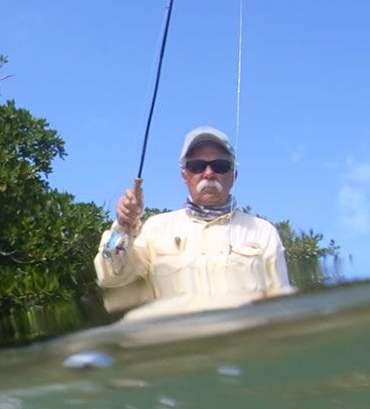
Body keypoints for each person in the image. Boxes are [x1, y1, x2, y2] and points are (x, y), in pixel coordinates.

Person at [93, 126, 294, 318]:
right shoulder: (155, 228)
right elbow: (113, 277)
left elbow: (281, 303)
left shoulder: (262, 232)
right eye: (197, 166)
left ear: (233, 177)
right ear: (184, 175)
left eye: (220, 166)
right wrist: (123, 225)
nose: (209, 173)